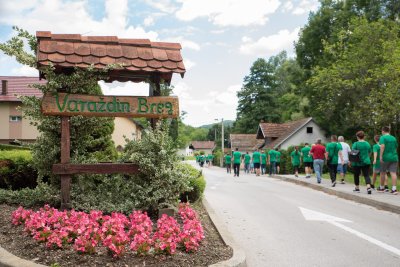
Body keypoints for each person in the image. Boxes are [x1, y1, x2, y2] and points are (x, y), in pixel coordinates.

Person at [378, 126, 398, 194]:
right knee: (393, 172)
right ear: (389, 131)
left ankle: (381, 188)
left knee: (382, 172)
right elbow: (395, 148)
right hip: (394, 157)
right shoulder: (393, 138)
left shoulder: (382, 137)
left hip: (385, 157)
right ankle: (394, 189)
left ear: (383, 131)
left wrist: (380, 156)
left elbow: (382, 146)